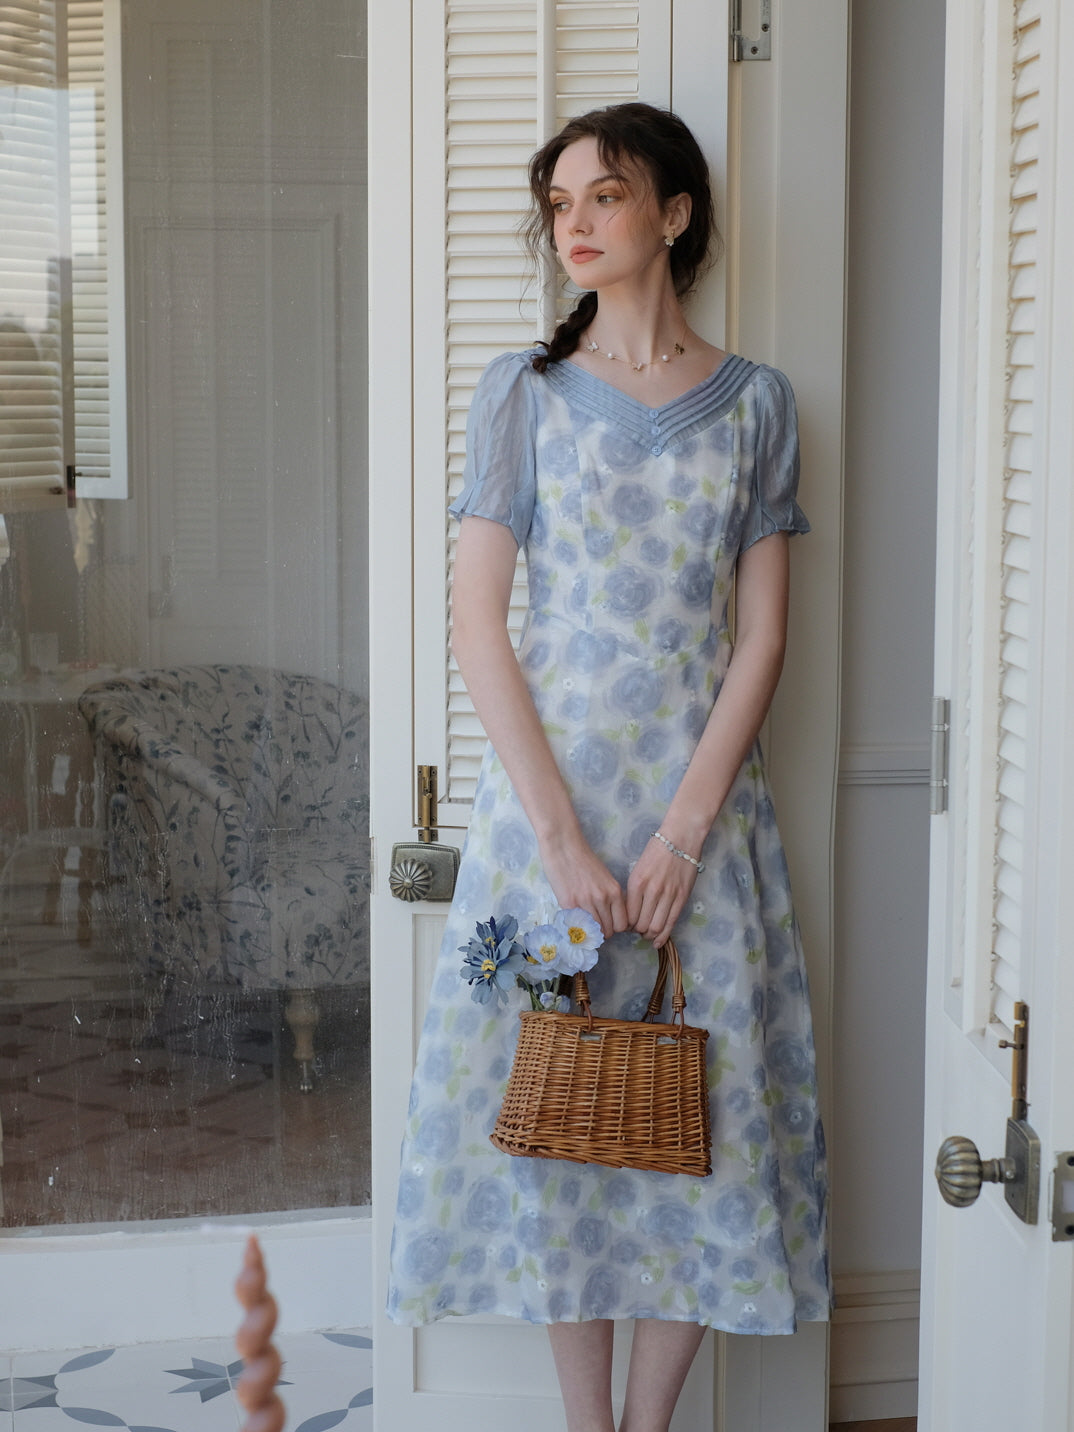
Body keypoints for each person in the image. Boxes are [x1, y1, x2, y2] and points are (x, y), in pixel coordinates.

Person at [387, 101, 830, 1432]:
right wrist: (564, 842)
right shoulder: (519, 394)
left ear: (674, 214)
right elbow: (478, 628)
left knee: (704, 1125)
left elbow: (758, 643)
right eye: (560, 203)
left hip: (702, 834)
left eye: (605, 196)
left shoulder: (757, 405)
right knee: (554, 1129)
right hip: (546, 831)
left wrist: (682, 839)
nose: (574, 224)